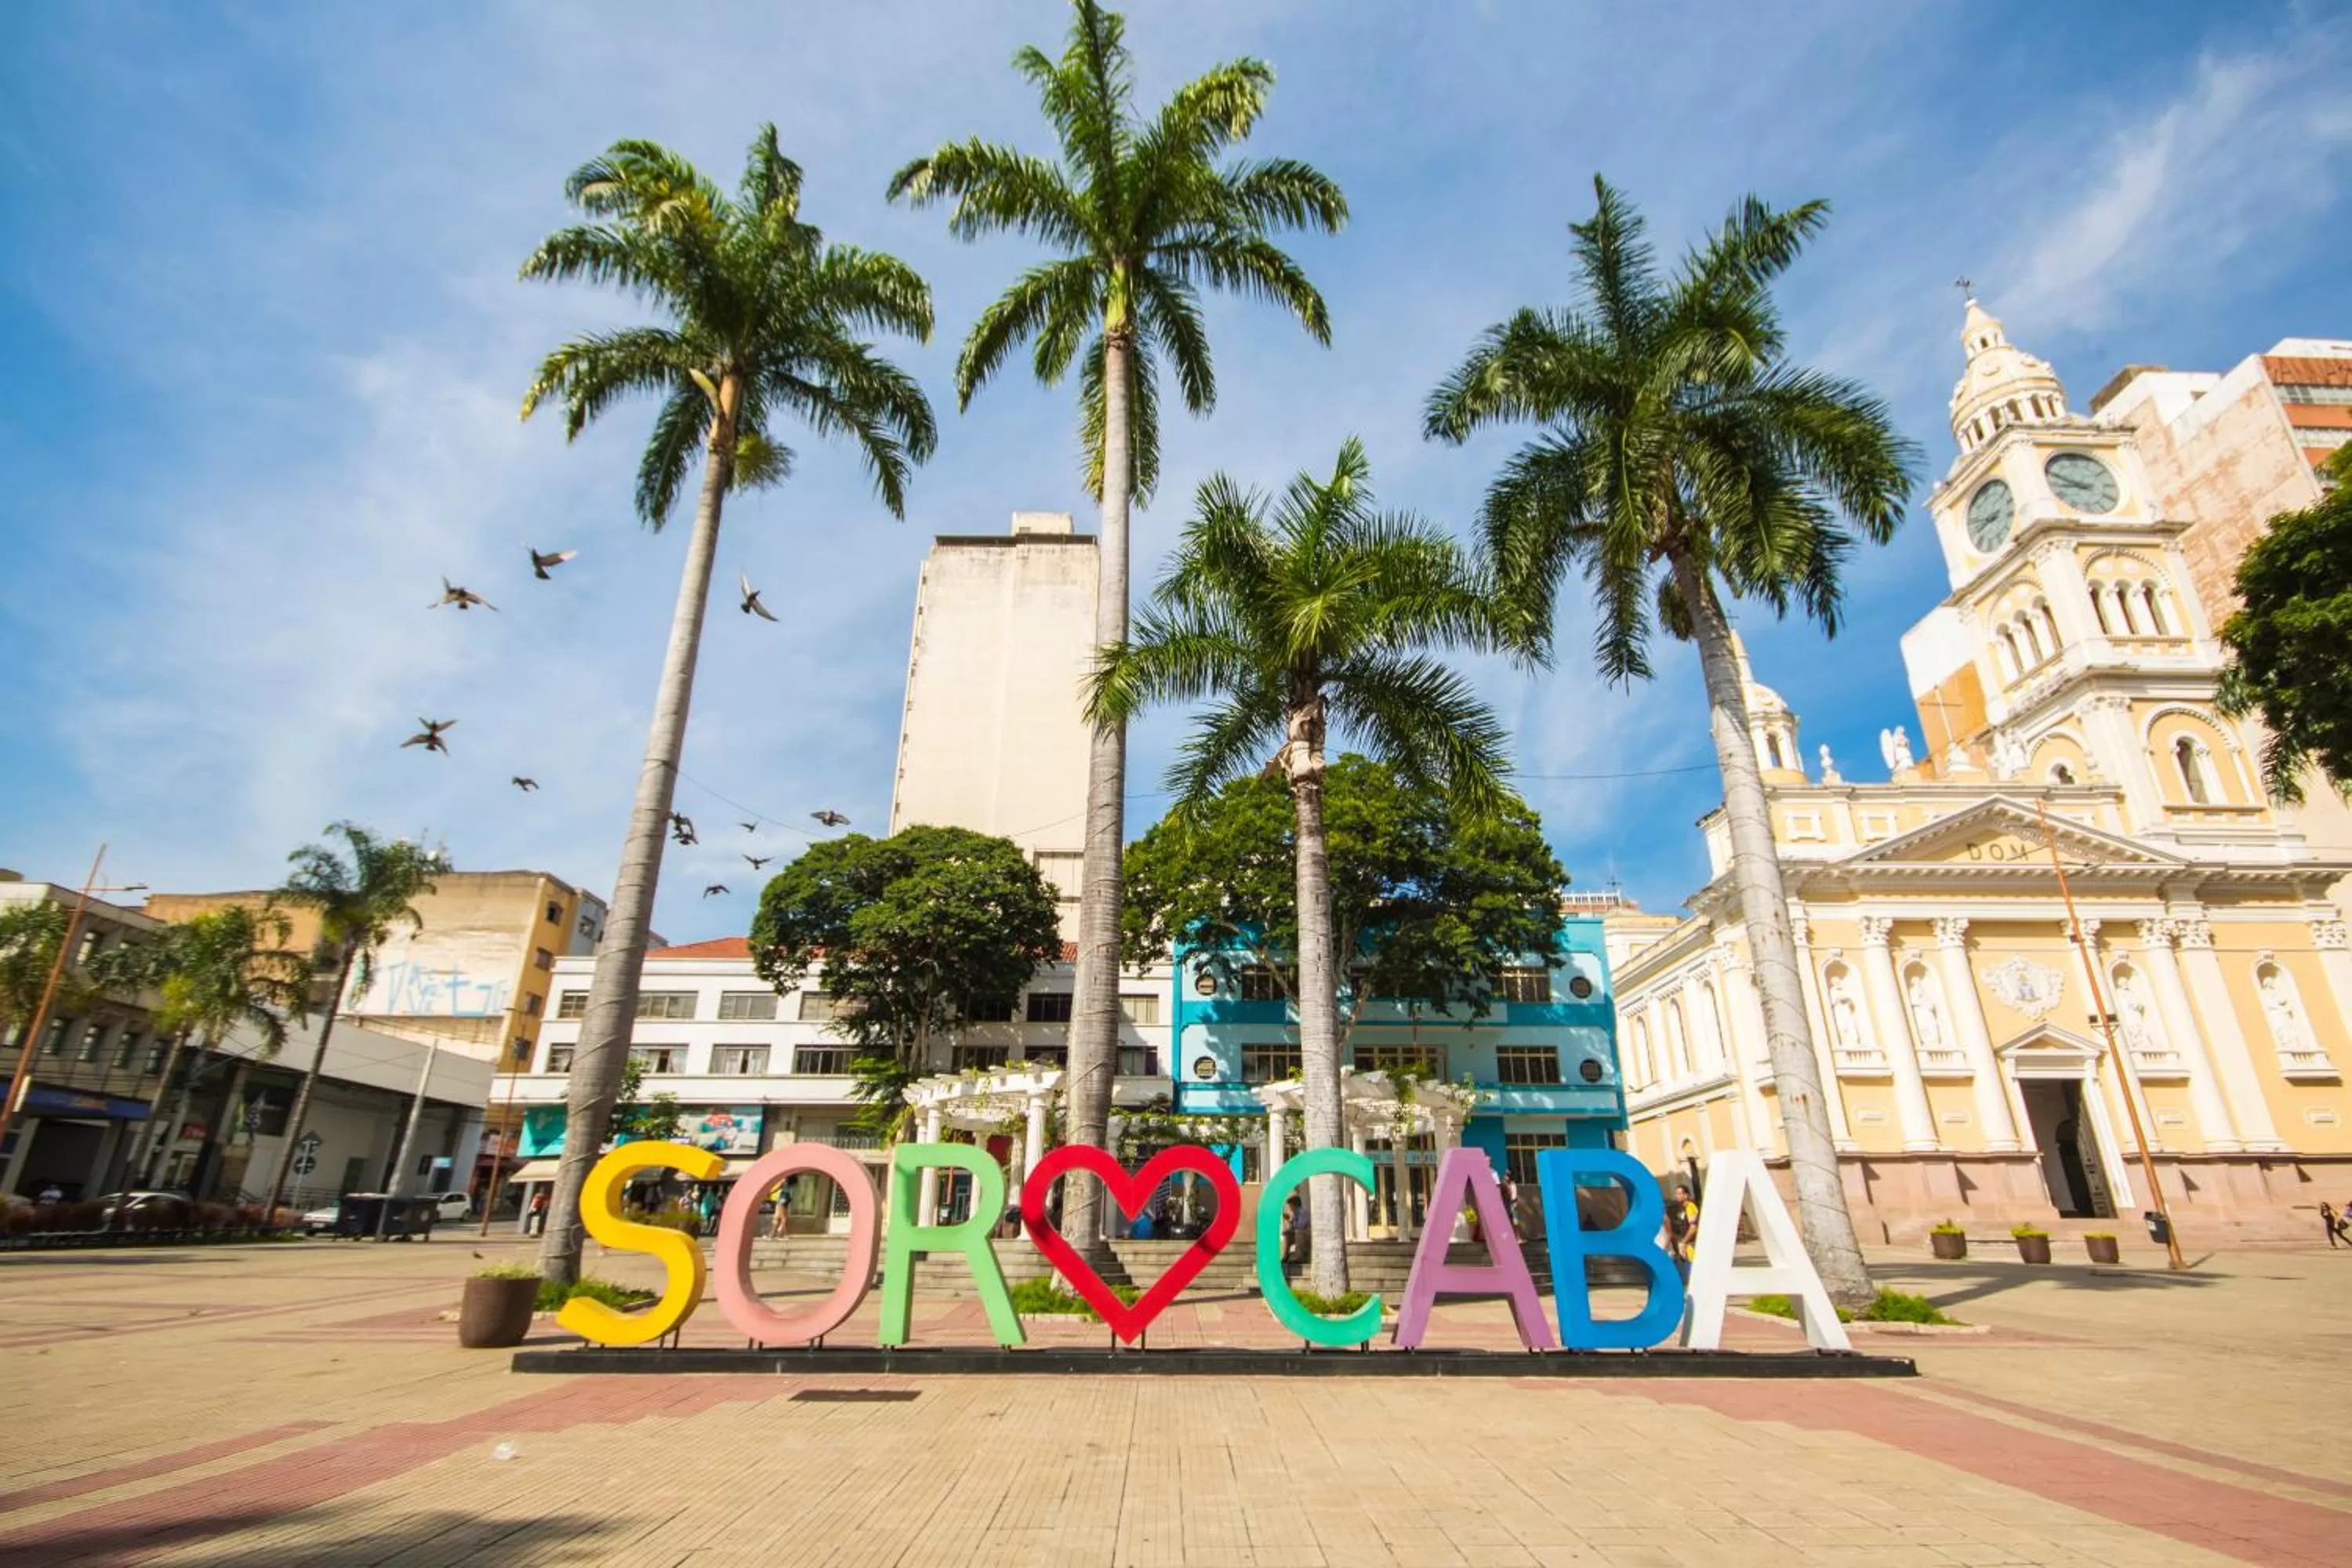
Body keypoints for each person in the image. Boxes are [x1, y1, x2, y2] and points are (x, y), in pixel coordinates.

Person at [1665, 1182, 1700, 1282]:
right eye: (1676, 1194)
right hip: (1686, 1246)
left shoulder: (1690, 1207)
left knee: (1694, 1273)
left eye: (1680, 1193)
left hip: (1692, 1244)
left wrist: (1684, 1242)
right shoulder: (1681, 1209)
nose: (1678, 1196)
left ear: (1687, 1195)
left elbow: (1693, 1228)